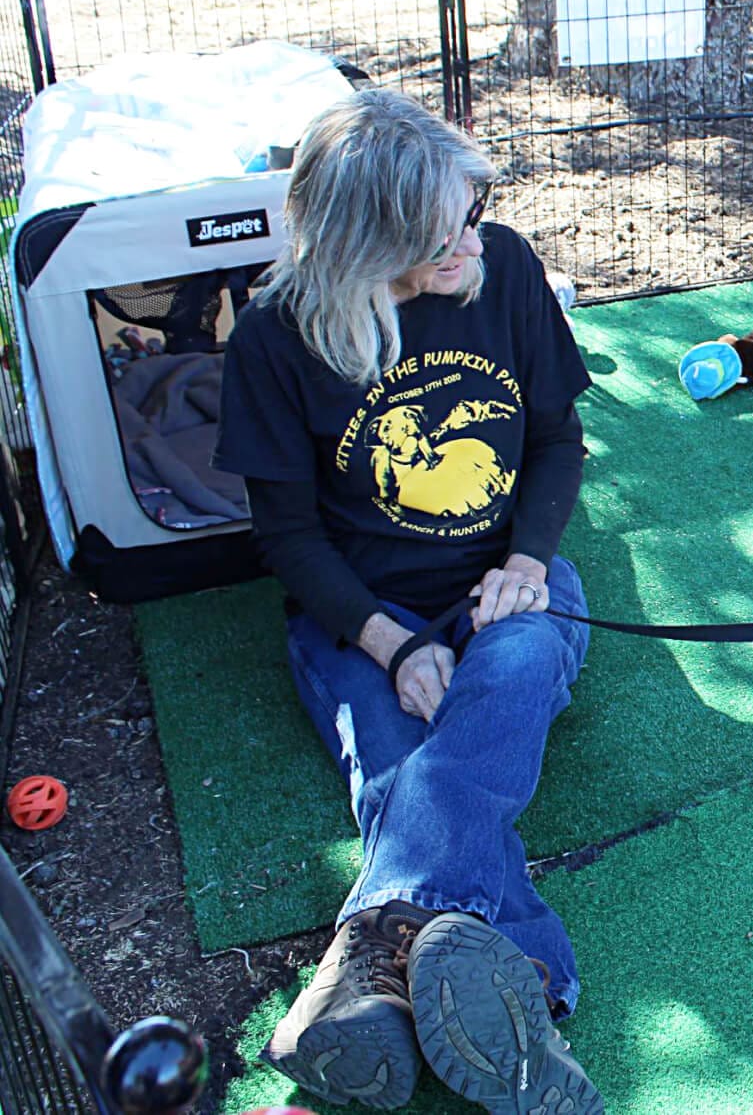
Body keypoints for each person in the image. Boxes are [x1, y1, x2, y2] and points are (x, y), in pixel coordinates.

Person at [216, 90, 602, 1112]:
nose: (471, 240)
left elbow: (557, 439)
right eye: (443, 234)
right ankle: (528, 989)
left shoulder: (504, 267)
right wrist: (389, 643)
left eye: (474, 211)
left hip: (501, 574)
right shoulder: (274, 335)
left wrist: (526, 562)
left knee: (514, 665)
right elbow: (287, 536)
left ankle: (372, 957)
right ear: (363, 246)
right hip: (356, 609)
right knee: (399, 762)